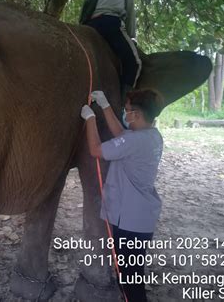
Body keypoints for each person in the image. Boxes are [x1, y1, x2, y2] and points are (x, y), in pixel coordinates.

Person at [80, 89, 164, 302]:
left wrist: (90, 119)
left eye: (127, 111)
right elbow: (121, 135)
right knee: (131, 273)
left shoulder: (135, 141)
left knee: (129, 278)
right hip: (140, 217)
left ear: (136, 114)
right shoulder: (151, 136)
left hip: (130, 220)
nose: (125, 115)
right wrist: (105, 105)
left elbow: (96, 150)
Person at [83, 0, 142, 100]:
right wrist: (132, 36)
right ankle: (125, 102)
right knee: (135, 62)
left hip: (90, 25)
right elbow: (130, 11)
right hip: (111, 23)